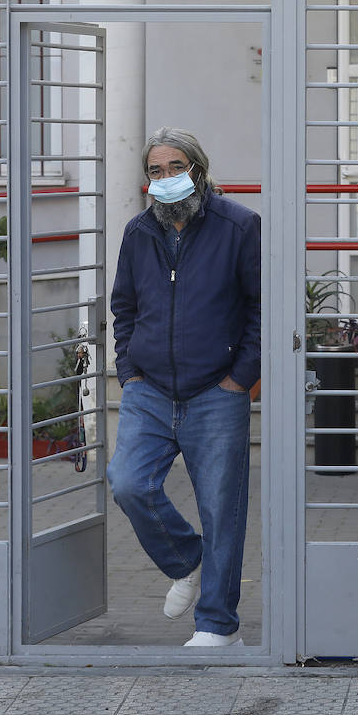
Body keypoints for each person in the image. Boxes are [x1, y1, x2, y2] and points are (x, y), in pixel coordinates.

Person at [107, 127, 261, 648]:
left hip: (216, 392)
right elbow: (123, 307)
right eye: (156, 170)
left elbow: (263, 308)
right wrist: (128, 370)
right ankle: (186, 559)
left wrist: (240, 377)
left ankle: (218, 625)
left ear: (199, 169)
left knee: (222, 508)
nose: (166, 178)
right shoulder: (137, 232)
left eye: (176, 168)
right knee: (128, 483)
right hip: (149, 390)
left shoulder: (239, 226)